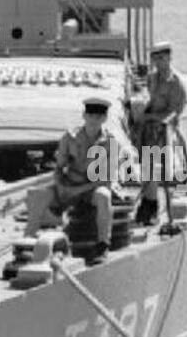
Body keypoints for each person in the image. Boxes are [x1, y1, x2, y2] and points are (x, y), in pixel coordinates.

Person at [33, 96, 137, 266]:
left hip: (93, 188)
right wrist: (60, 187)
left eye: (98, 117)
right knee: (41, 196)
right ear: (84, 116)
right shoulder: (70, 137)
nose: (94, 120)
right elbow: (59, 168)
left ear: (104, 118)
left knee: (104, 197)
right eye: (91, 116)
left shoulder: (110, 142)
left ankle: (103, 243)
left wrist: (77, 190)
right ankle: (32, 243)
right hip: (71, 184)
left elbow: (106, 180)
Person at [130, 41, 187, 226]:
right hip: (148, 130)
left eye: (162, 58)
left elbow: (173, 113)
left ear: (169, 57)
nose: (158, 62)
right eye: (155, 58)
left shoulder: (176, 83)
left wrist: (151, 117)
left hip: (164, 130)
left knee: (154, 167)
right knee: (147, 168)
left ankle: (152, 205)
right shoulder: (152, 78)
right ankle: (148, 203)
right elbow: (146, 96)